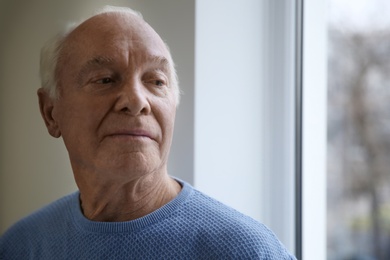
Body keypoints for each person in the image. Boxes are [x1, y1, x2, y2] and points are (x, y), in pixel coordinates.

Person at [0, 6, 296, 259]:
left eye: (156, 81)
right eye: (104, 80)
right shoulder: (20, 247)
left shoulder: (245, 251)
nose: (136, 101)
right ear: (51, 112)